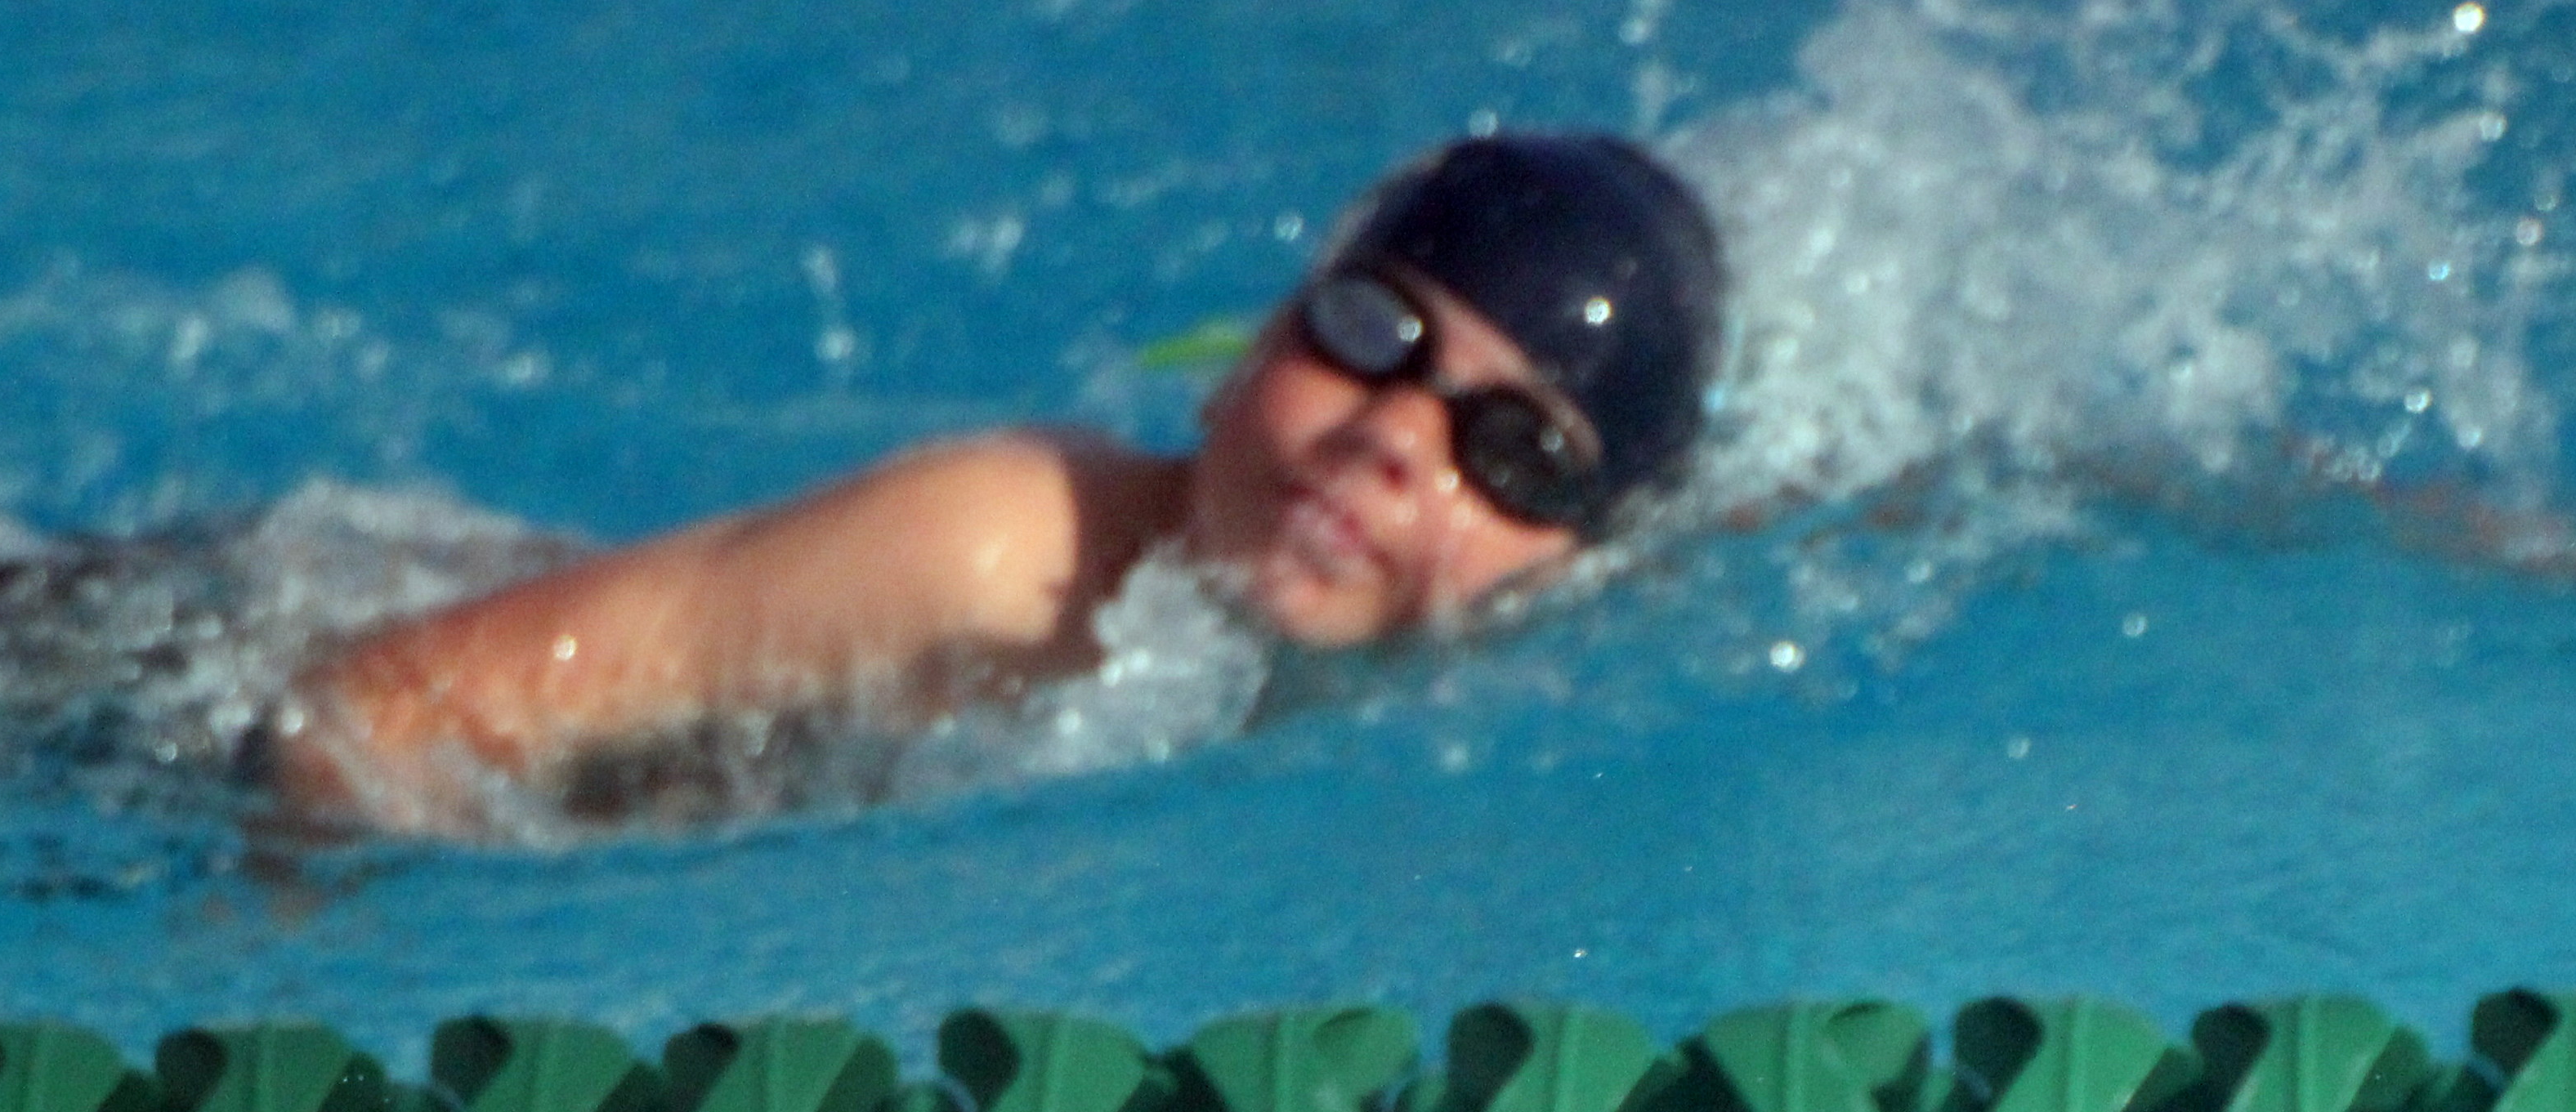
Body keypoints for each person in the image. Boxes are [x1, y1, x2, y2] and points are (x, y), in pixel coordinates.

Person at [267, 131, 1729, 837]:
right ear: (1257, 342)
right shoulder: (1002, 546)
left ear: (1577, 555)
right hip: (165, 682)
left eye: (1514, 450)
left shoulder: (1531, 662)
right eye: (1373, 333)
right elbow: (381, 707)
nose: (1396, 438)